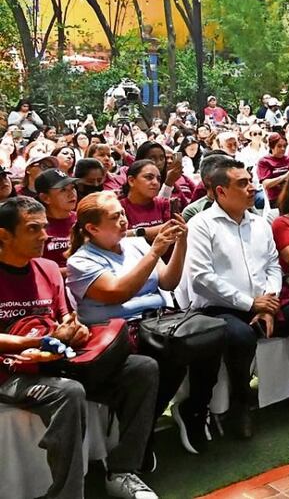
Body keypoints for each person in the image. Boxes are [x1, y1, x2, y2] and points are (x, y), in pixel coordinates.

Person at [0, 196, 161, 499]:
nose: (44, 236)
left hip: (55, 361)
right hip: (8, 372)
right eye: (33, 229)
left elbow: (66, 317)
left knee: (142, 368)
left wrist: (74, 330)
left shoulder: (48, 268)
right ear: (3, 235)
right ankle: (69, 494)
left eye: (45, 227)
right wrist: (33, 342)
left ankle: (123, 470)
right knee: (68, 392)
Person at [186, 157, 289, 438]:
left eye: (250, 180)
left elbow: (273, 265)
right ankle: (240, 407)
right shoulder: (203, 225)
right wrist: (250, 303)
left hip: (265, 301)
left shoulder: (259, 223)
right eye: (242, 183)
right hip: (221, 307)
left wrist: (268, 301)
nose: (252, 187)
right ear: (220, 191)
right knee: (241, 336)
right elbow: (201, 279)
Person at [64, 192, 223, 456]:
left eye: (123, 214)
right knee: (167, 356)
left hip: (158, 323)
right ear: (92, 228)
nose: (123, 221)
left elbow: (168, 282)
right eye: (115, 217)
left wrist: (181, 243)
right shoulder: (80, 261)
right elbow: (118, 292)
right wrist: (155, 250)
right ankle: (141, 432)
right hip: (118, 334)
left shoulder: (136, 245)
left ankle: (193, 410)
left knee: (210, 337)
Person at [36, 169, 79, 276]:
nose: (71, 194)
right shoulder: (36, 226)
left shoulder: (83, 218)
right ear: (45, 198)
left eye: (73, 188)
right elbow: (34, 269)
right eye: (63, 190)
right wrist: (75, 271)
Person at [119, 160, 173, 243]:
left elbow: (170, 232)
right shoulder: (119, 207)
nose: (155, 182)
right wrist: (147, 232)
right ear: (131, 181)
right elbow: (118, 236)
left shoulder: (164, 203)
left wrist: (136, 234)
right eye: (149, 177)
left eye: (158, 179)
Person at [257, 132, 289, 208]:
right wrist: (285, 176)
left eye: (284, 146)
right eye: (279, 146)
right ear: (272, 147)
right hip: (276, 198)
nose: (283, 149)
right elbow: (266, 184)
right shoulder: (264, 161)